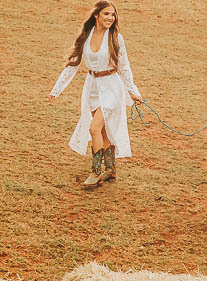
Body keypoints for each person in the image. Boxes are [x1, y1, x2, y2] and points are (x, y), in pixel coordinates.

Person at [48, 1, 144, 187]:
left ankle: (95, 172)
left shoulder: (116, 38)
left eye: (113, 15)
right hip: (92, 87)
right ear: (96, 15)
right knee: (102, 130)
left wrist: (133, 92)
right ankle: (110, 169)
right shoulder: (86, 36)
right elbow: (72, 65)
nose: (110, 18)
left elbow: (124, 67)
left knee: (94, 129)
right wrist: (56, 90)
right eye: (106, 14)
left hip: (112, 87)